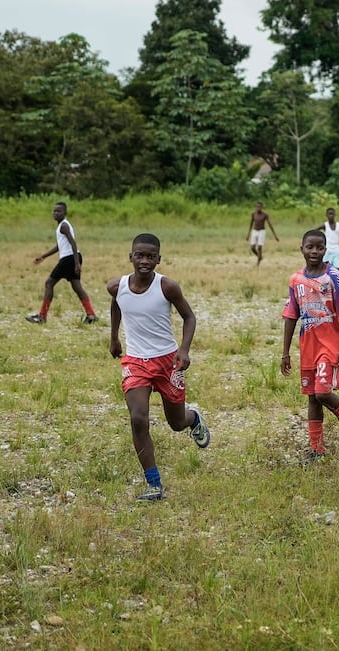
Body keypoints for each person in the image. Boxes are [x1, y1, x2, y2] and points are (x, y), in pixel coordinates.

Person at [107, 233, 210, 502]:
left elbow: (189, 317)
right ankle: (154, 484)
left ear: (158, 259)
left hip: (167, 361)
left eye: (150, 256)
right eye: (139, 256)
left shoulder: (167, 287)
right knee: (138, 418)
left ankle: (193, 418)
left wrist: (184, 351)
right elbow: (117, 305)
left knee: (176, 423)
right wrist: (114, 336)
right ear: (130, 257)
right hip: (135, 361)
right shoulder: (117, 286)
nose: (144, 261)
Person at [279, 229, 339, 460]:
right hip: (308, 347)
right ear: (301, 249)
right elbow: (291, 315)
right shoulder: (296, 280)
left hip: (331, 346)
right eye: (310, 247)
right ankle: (317, 450)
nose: (314, 251)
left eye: (319, 247)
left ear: (326, 250)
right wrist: (285, 352)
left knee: (323, 392)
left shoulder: (334, 277)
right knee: (312, 398)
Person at [28, 201, 97, 324]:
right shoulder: (62, 226)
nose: (56, 213)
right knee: (77, 287)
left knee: (49, 283)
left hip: (69, 259)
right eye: (54, 211)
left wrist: (77, 263)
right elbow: (59, 246)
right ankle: (91, 315)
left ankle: (42, 316)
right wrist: (43, 256)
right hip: (72, 258)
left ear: (65, 213)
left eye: (59, 211)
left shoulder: (64, 226)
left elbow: (73, 243)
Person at [246, 201, 279, 266]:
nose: (258, 208)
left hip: (261, 231)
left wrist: (275, 236)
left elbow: (270, 225)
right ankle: (260, 257)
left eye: (259, 207)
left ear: (262, 207)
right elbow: (251, 224)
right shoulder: (253, 214)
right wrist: (248, 235)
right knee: (252, 247)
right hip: (254, 231)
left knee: (259, 247)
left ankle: (258, 262)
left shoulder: (264, 215)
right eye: (257, 206)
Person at [316, 207, 339, 272]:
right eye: (329, 214)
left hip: (336, 250)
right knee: (325, 269)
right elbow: (314, 231)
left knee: (338, 269)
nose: (331, 216)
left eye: (332, 214)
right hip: (327, 250)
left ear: (335, 215)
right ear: (326, 215)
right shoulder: (325, 225)